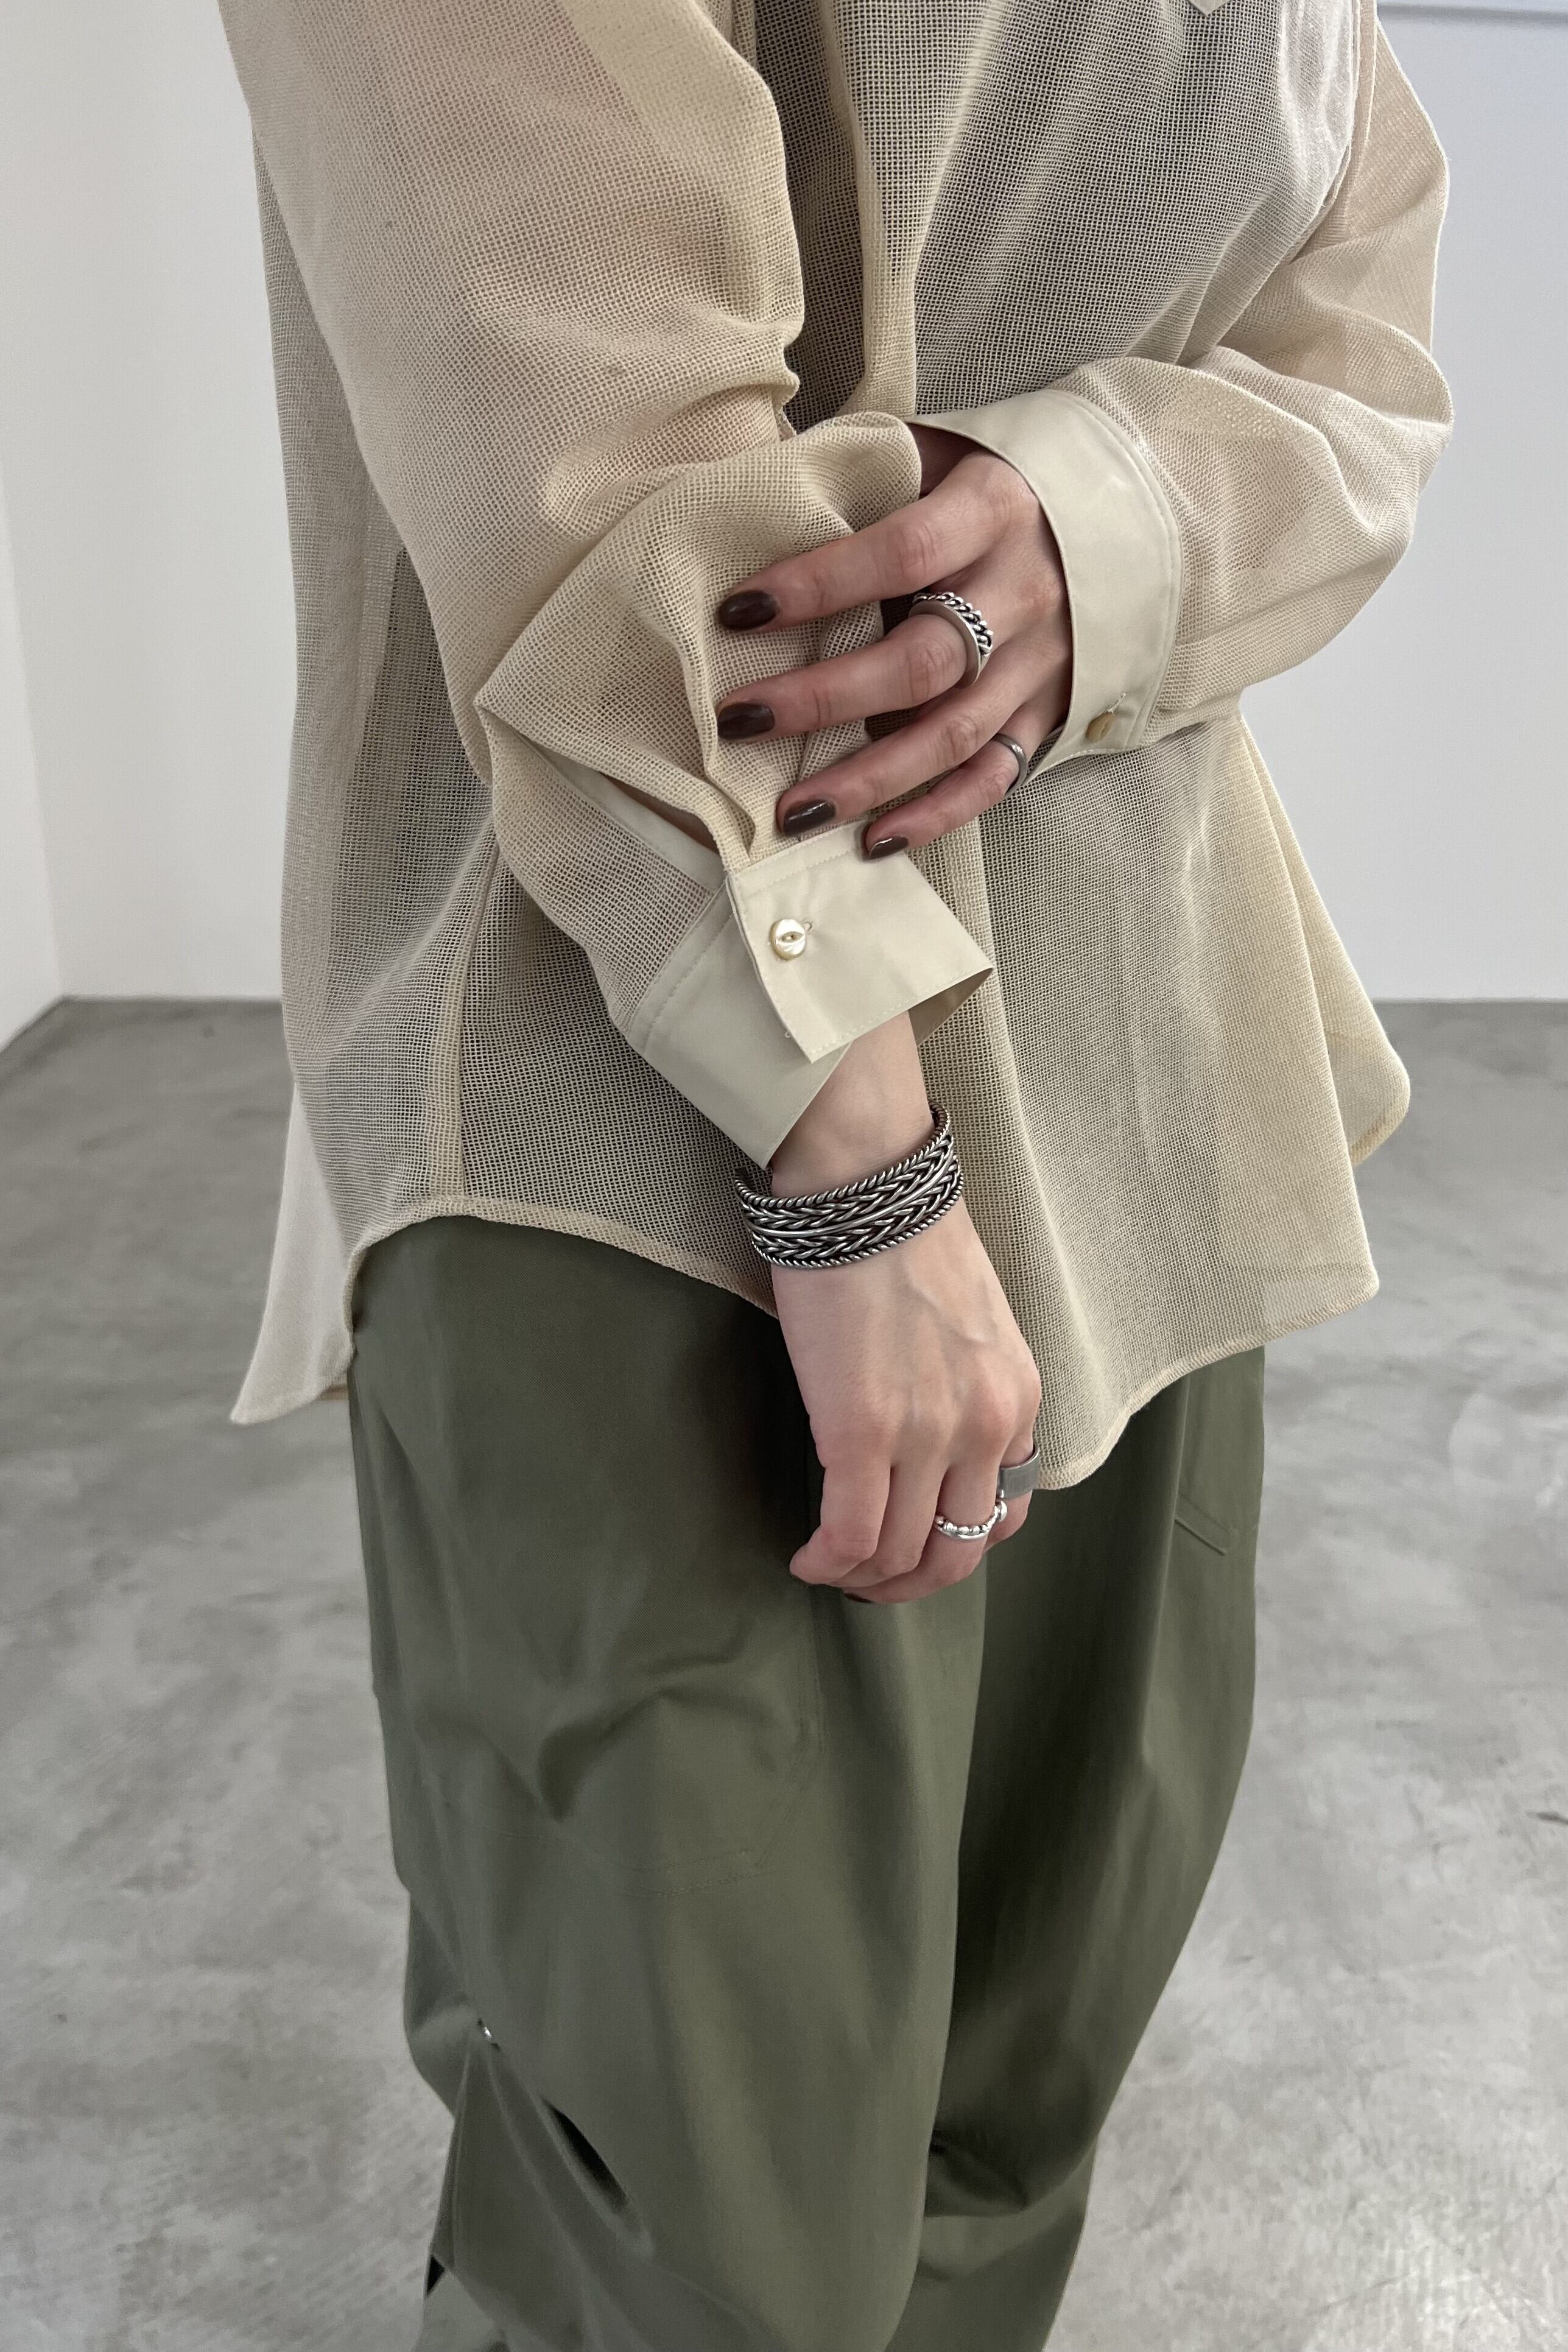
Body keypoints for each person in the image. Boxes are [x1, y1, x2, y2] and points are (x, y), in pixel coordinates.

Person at [216, 1, 1451, 2343]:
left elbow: (1363, 331)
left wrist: (1115, 526)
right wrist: (851, 1152)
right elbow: (566, 400)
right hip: (649, 1117)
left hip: (1150, 1060)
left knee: (1013, 2095)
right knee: (697, 2224)